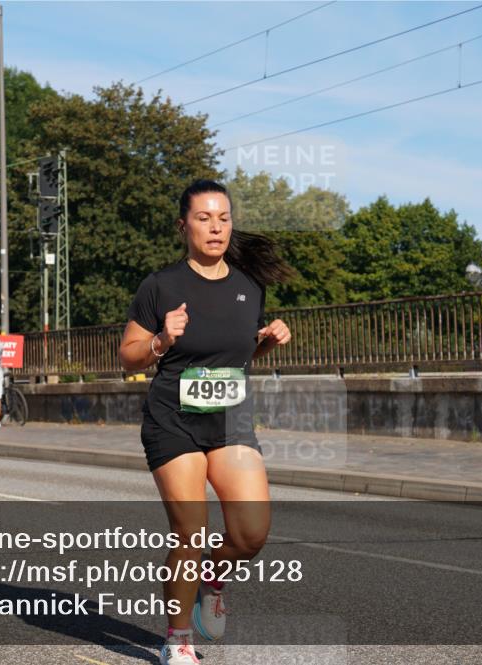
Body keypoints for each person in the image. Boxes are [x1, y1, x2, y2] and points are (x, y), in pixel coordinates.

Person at [119, 179, 293, 665]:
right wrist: (161, 340)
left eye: (223, 218)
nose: (215, 227)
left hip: (229, 419)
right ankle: (176, 641)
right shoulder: (161, 286)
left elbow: (236, 359)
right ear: (183, 226)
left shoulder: (248, 286)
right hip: (172, 420)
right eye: (204, 218)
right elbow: (128, 358)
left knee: (251, 533)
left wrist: (267, 342)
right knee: (190, 532)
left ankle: (210, 579)